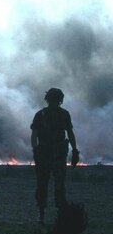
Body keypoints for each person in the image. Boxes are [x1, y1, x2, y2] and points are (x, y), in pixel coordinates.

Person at [31, 88, 79, 224]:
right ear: (48, 100)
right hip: (45, 155)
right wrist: (35, 151)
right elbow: (34, 135)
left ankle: (59, 214)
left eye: (56, 99)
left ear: (60, 100)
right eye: (53, 99)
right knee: (43, 185)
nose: (54, 102)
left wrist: (75, 150)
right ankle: (41, 214)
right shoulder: (41, 115)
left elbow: (70, 133)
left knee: (58, 186)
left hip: (57, 155)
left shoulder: (63, 114)